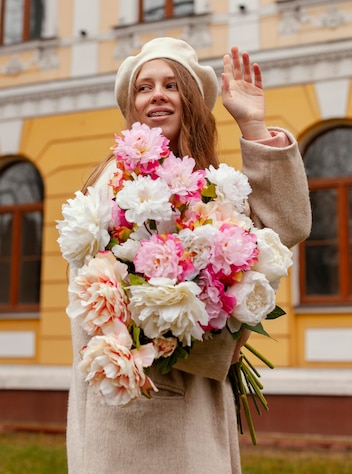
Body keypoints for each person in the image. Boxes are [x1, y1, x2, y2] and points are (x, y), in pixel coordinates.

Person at [66, 37, 311, 474]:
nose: (157, 94)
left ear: (191, 103)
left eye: (172, 84)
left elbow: (285, 229)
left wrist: (253, 126)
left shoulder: (213, 188)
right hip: (131, 412)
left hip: (195, 407)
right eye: (144, 87)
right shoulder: (111, 190)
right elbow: (106, 307)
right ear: (132, 107)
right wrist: (221, 341)